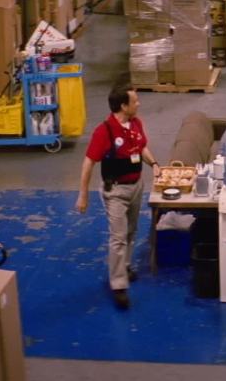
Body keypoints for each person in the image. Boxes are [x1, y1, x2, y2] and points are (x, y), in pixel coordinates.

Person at [76, 84, 161, 309]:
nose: (139, 104)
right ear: (123, 106)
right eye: (135, 101)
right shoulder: (104, 131)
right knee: (118, 237)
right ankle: (118, 284)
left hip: (136, 186)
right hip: (116, 192)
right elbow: (88, 163)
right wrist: (83, 195)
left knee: (131, 231)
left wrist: (154, 164)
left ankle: (125, 265)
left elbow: (141, 148)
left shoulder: (136, 123)